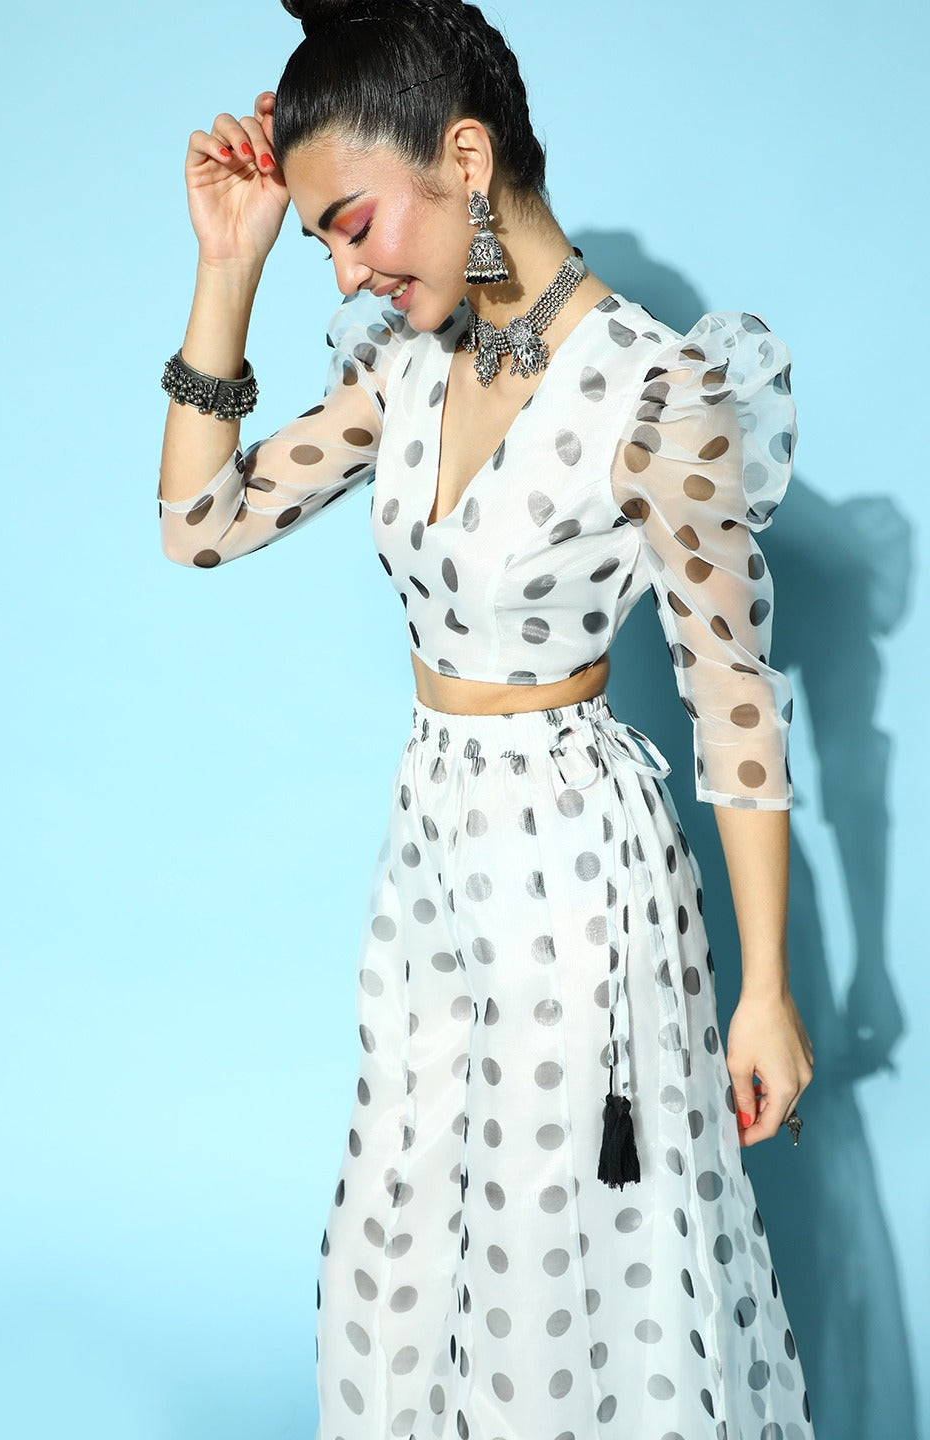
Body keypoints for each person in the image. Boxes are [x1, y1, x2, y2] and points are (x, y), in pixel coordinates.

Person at [155, 1, 817, 1435]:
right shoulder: (406, 365)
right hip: (433, 856)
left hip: (578, 877)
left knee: (552, 1265)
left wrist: (765, 988)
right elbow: (198, 524)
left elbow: (734, 701)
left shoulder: (656, 392)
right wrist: (229, 268)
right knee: (401, 1243)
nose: (348, 268)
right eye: (324, 244)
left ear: (466, 159)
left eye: (351, 225)